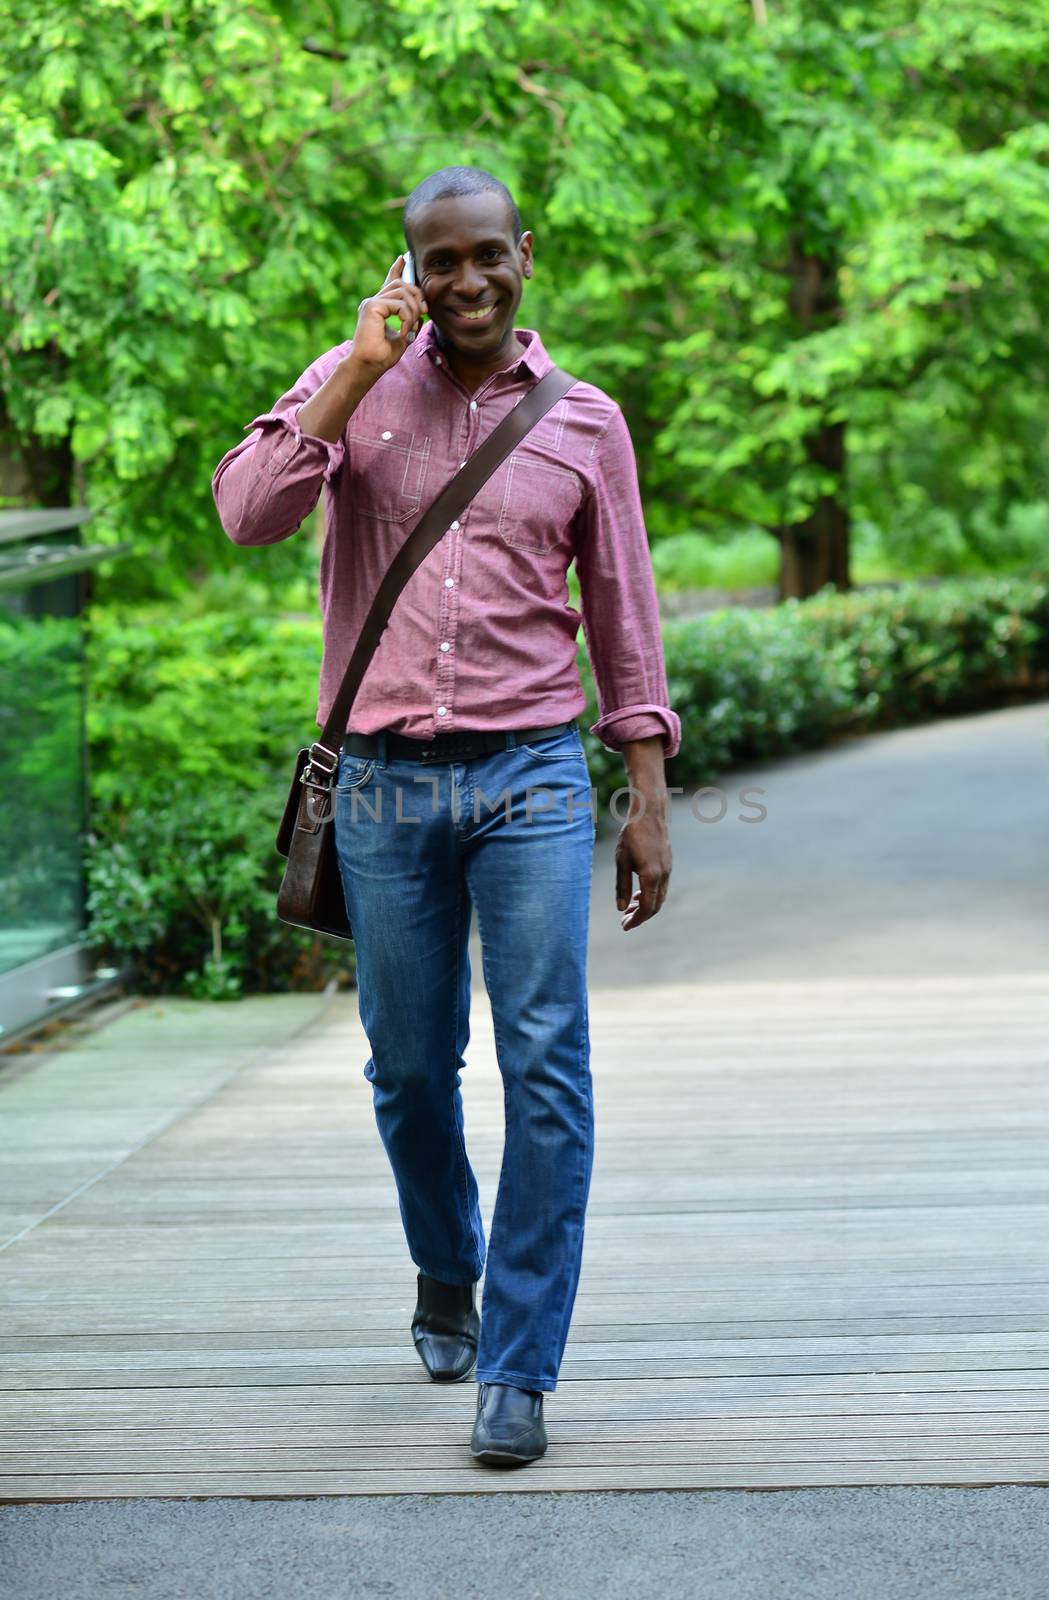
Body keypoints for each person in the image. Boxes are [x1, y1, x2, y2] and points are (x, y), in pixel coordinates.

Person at [211, 165, 680, 1468]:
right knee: (410, 1068)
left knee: (547, 1069)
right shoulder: (347, 384)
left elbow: (623, 620)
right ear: (407, 265)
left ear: (523, 254)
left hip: (529, 772)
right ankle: (443, 1267)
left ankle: (520, 1368)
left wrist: (643, 799)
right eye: (439, 261)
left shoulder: (584, 422)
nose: (465, 282)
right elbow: (247, 514)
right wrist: (352, 376)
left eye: (488, 256)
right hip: (380, 779)